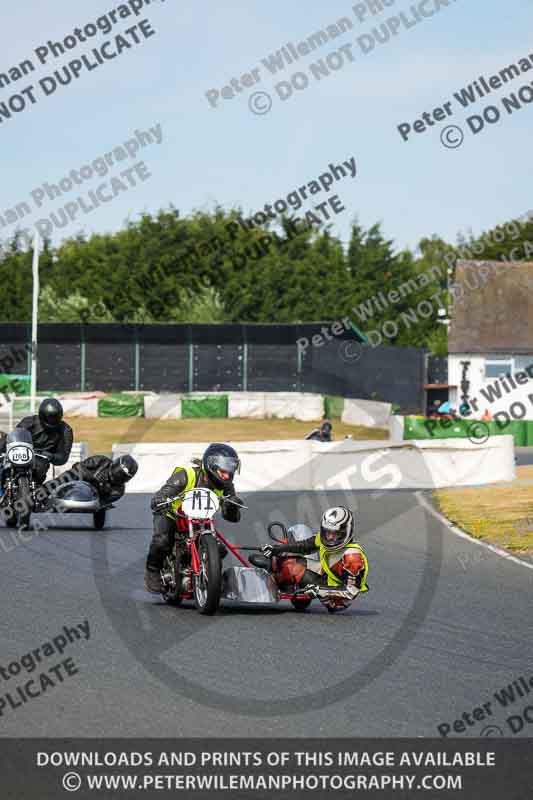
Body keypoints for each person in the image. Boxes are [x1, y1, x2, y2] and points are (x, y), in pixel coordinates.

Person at [144, 443, 244, 593]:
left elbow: (233, 518)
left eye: (230, 469)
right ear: (211, 465)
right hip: (172, 514)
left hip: (201, 520)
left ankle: (208, 575)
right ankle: (152, 571)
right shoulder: (187, 475)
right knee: (162, 540)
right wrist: (160, 499)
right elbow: (162, 494)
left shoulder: (226, 486)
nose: (227, 475)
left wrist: (232, 506)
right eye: (224, 470)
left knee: (220, 549)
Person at [251, 506, 369, 613]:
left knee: (291, 566)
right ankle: (274, 568)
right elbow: (304, 546)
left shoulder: (352, 557)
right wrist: (276, 549)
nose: (330, 537)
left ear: (346, 532)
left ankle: (272, 579)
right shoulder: (323, 538)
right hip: (326, 576)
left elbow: (351, 591)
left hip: (335, 599)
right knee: (288, 558)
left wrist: (319, 590)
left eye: (335, 534)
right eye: (327, 532)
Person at [0, 398, 73, 485]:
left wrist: (52, 456)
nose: (51, 420)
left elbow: (63, 456)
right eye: (49, 417)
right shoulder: (29, 422)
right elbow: (14, 437)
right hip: (20, 454)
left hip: (40, 461)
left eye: (54, 417)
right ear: (42, 415)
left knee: (40, 470)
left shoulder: (65, 430)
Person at [42, 454, 138, 506]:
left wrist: (102, 487)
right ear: (115, 463)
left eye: (123, 476)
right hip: (78, 482)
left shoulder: (118, 491)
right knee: (69, 476)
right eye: (118, 471)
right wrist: (92, 477)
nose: (118, 475)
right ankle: (42, 492)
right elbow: (78, 467)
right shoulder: (101, 460)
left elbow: (103, 503)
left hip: (92, 497)